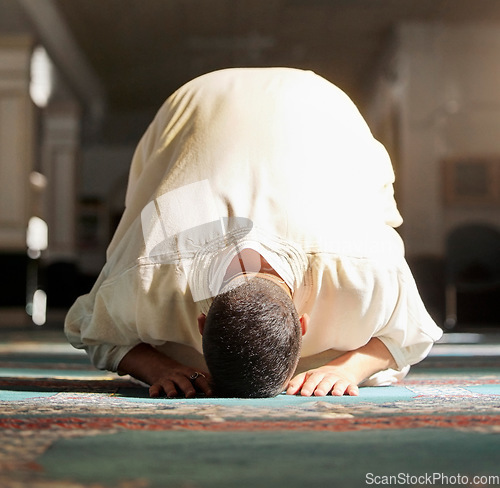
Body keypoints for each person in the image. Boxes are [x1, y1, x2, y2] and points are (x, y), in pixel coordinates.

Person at [65, 67, 443, 398]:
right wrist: (159, 370)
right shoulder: (148, 268)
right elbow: (90, 329)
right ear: (302, 324)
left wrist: (346, 371)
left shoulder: (366, 263)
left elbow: (415, 334)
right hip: (214, 101)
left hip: (312, 105)